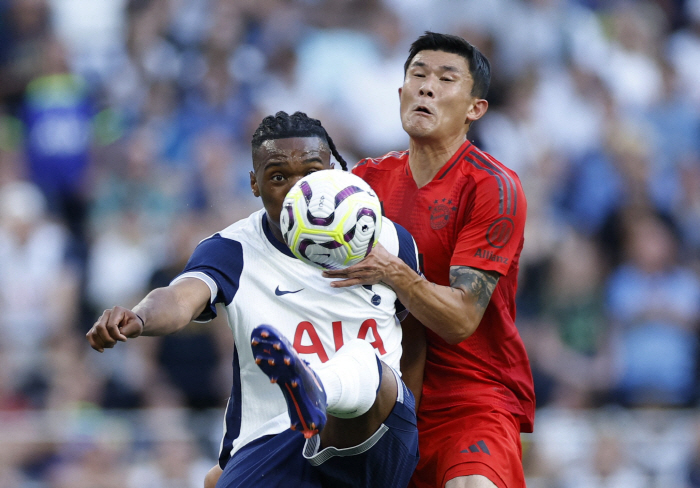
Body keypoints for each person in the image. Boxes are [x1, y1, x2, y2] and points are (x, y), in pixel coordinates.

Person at [86, 111, 422, 488]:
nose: (297, 192)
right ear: (254, 184)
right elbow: (180, 298)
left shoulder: (389, 240)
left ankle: (316, 386)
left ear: (334, 171)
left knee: (366, 363)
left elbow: (417, 338)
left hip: (375, 438)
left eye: (311, 174)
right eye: (278, 177)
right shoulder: (233, 249)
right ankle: (306, 395)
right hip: (273, 440)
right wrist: (140, 317)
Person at [325, 32, 535, 488]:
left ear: (475, 108)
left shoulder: (493, 187)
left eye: (445, 78)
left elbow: (460, 319)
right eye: (417, 75)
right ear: (400, 93)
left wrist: (394, 272)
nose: (425, 87)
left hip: (472, 397)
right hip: (376, 396)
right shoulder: (363, 183)